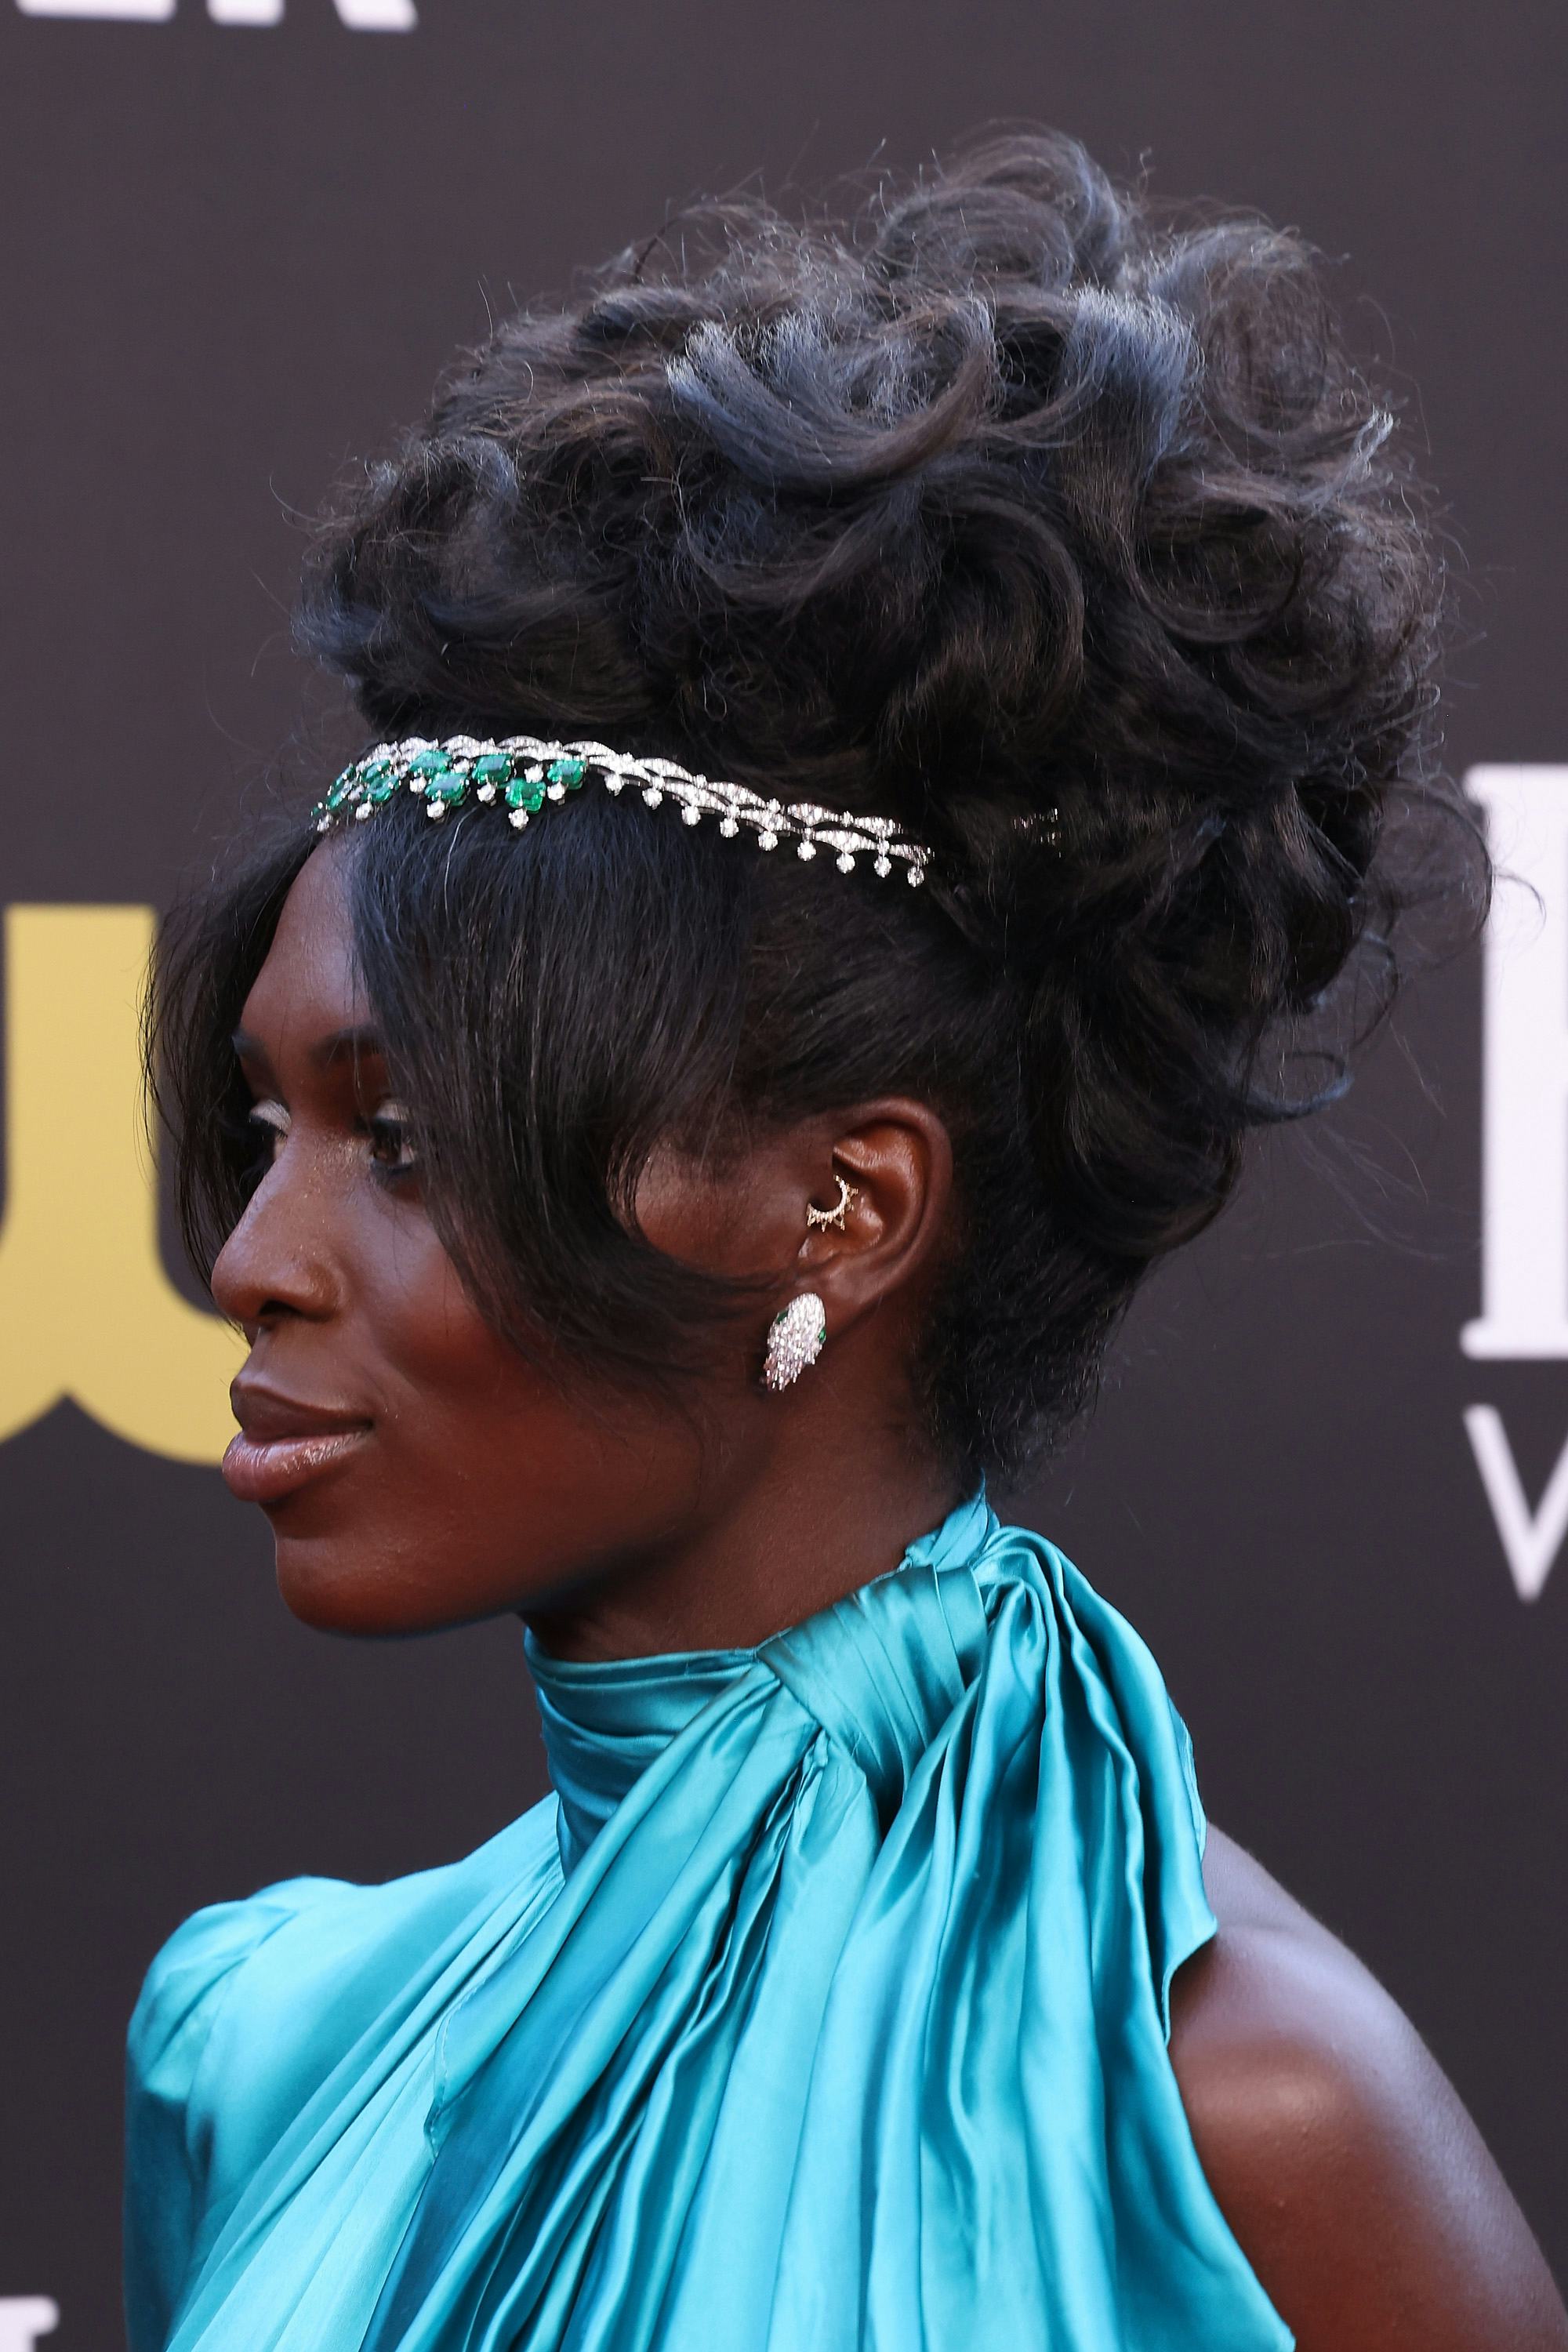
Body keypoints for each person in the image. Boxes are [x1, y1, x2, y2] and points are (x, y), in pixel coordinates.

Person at [126, 132, 1566, 2352]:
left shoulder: (1241, 2134)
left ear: (845, 1206)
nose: (252, 1262)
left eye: (403, 1142)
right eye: (268, 1125)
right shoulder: (259, 2040)